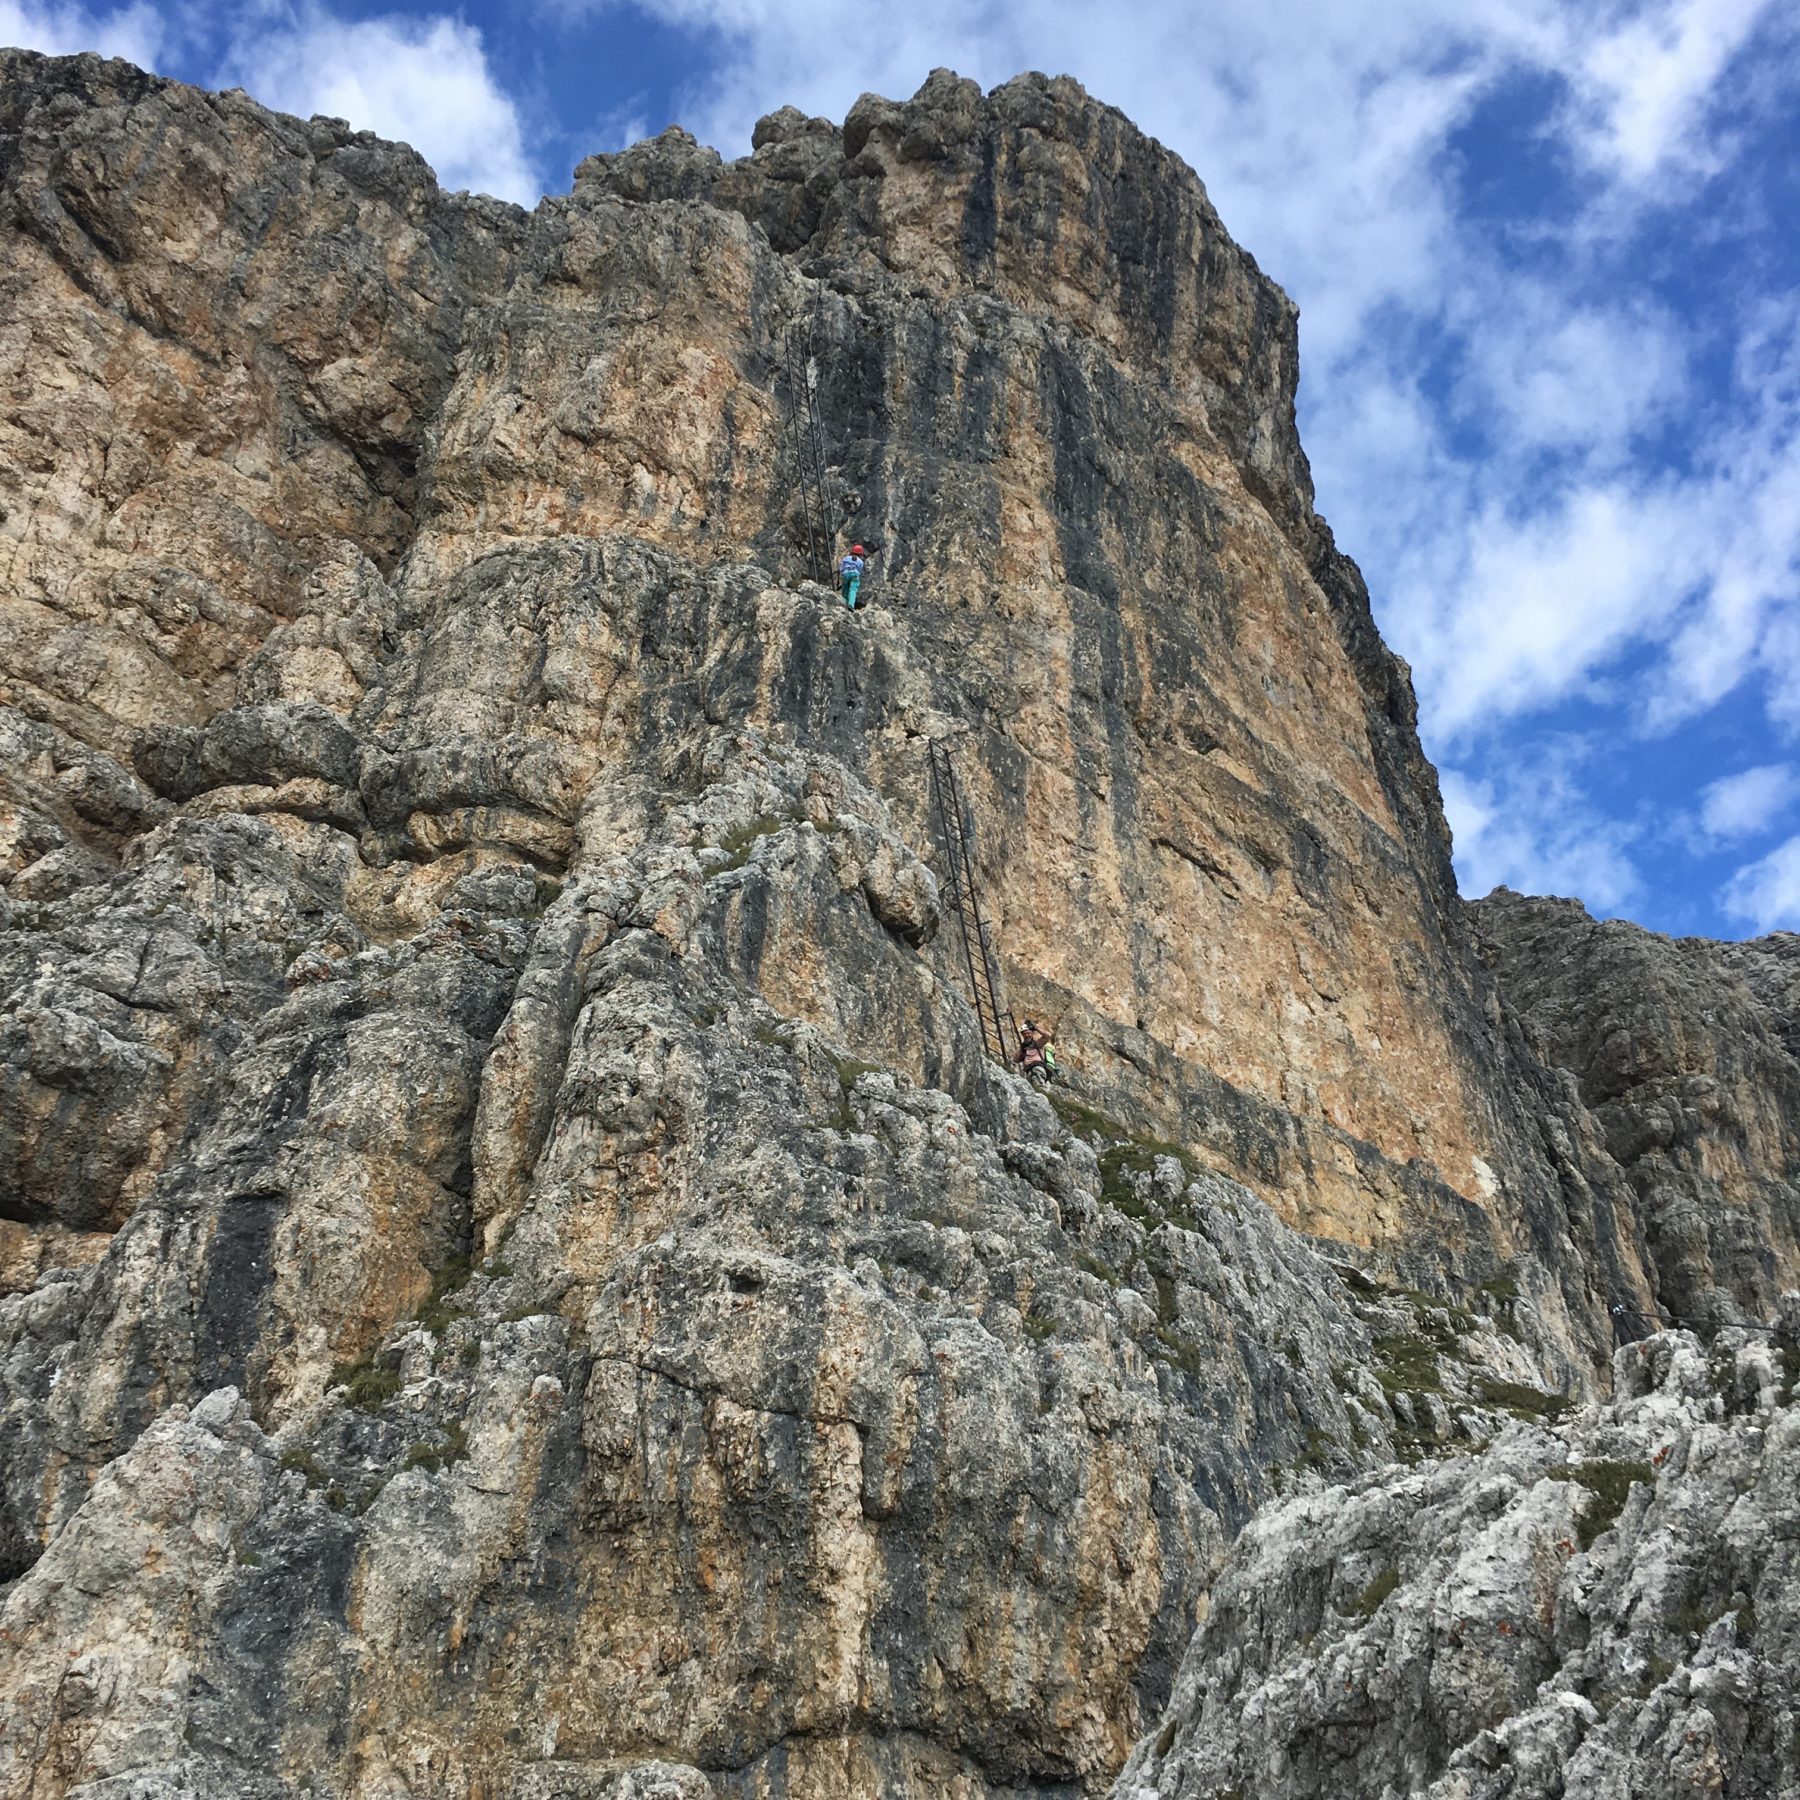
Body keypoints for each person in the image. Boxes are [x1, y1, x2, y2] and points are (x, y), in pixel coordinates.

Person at [1017, 1018, 1050, 1085]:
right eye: (1024, 1034)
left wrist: (1036, 1028)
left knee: (1038, 1087)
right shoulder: (1024, 1048)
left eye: (1028, 1033)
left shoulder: (1038, 1043)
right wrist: (1021, 1049)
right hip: (1028, 1072)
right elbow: (1015, 1059)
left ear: (1032, 1033)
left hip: (1037, 1069)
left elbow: (1047, 1036)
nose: (1027, 1035)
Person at [838, 544, 867, 610]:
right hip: (855, 575)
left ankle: (844, 603)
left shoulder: (846, 558)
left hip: (846, 574)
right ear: (860, 554)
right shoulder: (860, 562)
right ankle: (851, 605)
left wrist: (843, 574)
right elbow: (859, 570)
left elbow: (841, 568)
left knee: (845, 590)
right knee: (853, 590)